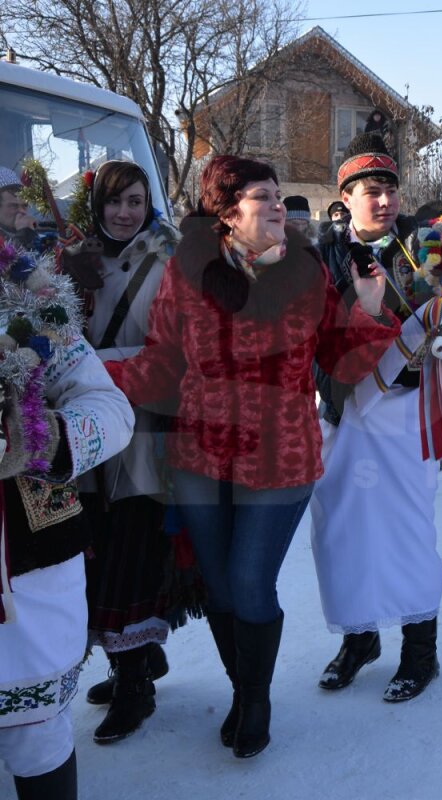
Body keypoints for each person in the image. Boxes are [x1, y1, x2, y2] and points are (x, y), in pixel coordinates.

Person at [104, 155, 401, 758]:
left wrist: (368, 308)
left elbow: (341, 359)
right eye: (262, 196)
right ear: (228, 210)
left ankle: (257, 700)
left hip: (281, 452)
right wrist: (90, 378)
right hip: (199, 452)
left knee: (248, 580)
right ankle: (243, 690)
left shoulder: (305, 269)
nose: (276, 205)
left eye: (277, 195)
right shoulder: (189, 270)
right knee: (217, 586)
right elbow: (162, 363)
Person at [310, 134, 442, 703]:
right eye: (372, 192)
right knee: (340, 531)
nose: (384, 202)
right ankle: (359, 639)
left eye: (391, 191)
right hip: (345, 406)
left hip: (406, 412)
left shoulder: (424, 250)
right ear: (345, 196)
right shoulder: (322, 256)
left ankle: (419, 651)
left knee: (406, 533)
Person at [56, 162, 193, 745]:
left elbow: (174, 352)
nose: (125, 212)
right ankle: (127, 663)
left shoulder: (169, 260)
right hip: (87, 436)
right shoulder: (73, 261)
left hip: (144, 431)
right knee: (97, 549)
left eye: (136, 200)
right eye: (114, 201)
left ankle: (137, 681)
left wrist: (92, 372)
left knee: (133, 551)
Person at [0, 243, 135, 799]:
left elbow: (112, 411)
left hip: (28, 565)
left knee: (35, 738)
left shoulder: (27, 303)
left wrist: (39, 439)